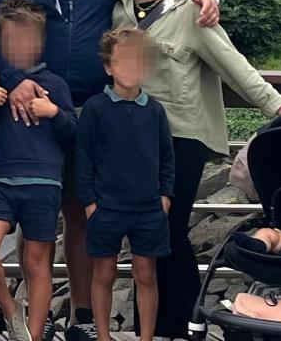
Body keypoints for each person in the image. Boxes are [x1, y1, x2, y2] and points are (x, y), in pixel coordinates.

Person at [0, 0, 221, 341]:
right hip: (29, 107)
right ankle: (32, 314)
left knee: (81, 210)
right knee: (36, 212)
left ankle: (82, 315)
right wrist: (15, 81)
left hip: (92, 109)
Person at [111, 0, 281, 338]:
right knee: (145, 234)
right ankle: (152, 328)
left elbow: (234, 66)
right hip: (134, 139)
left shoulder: (191, 12)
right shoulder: (119, 9)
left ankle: (186, 325)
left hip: (181, 137)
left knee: (170, 230)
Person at [0, 0, 76, 341]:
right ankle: (10, 307)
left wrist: (53, 112)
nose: (19, 46)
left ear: (41, 41)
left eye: (27, 38)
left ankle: (33, 334)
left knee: (36, 262)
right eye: (11, 40)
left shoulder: (55, 85)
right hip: (1, 183)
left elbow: (74, 134)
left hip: (44, 185)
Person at [77, 28, 174, 341]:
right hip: (106, 208)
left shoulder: (155, 111)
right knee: (103, 273)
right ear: (108, 66)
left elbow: (167, 157)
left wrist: (165, 196)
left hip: (148, 209)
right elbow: (84, 160)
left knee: (145, 273)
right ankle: (103, 336)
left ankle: (146, 337)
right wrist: (90, 203)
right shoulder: (95, 109)